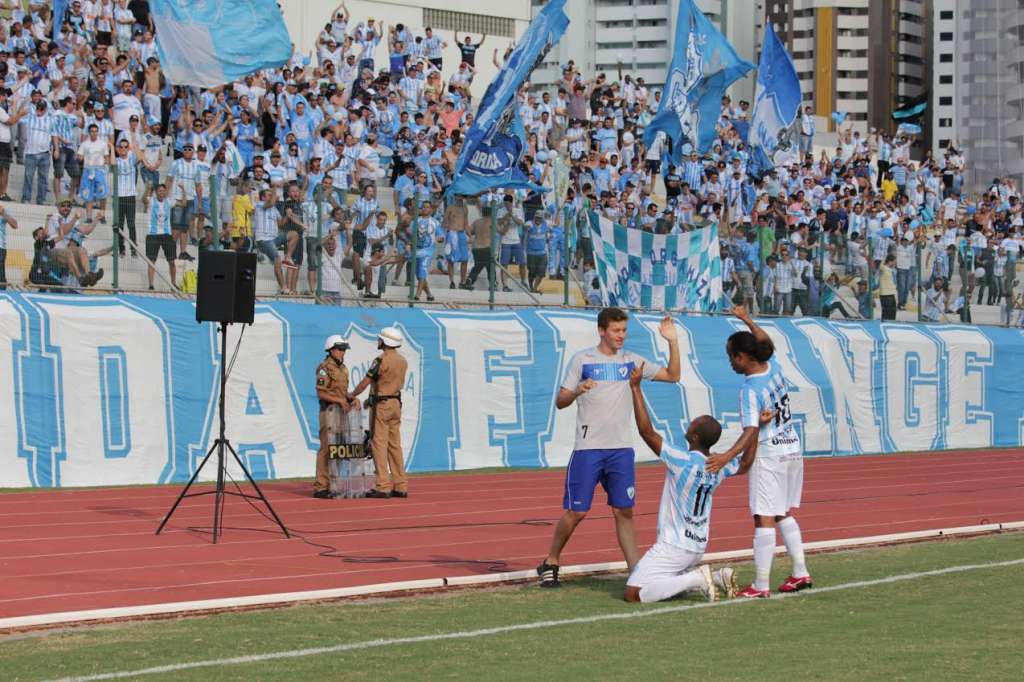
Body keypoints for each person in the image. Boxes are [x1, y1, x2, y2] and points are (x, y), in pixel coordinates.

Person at [537, 308, 681, 588]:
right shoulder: (583, 360)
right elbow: (560, 400)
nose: (621, 336)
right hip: (588, 449)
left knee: (623, 511)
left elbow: (673, 375)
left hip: (621, 450)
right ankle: (551, 560)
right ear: (602, 330)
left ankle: (636, 573)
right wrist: (578, 390)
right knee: (577, 512)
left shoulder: (632, 361)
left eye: (624, 331)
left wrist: (672, 342)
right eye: (616, 331)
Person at [624, 363, 769, 603]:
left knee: (634, 593)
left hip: (674, 545)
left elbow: (646, 432)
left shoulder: (681, 460)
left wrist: (636, 388)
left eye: (693, 423)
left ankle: (698, 578)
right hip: (697, 545)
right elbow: (745, 464)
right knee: (666, 583)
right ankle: (717, 576)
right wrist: (755, 431)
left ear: (694, 436)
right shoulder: (717, 465)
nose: (689, 422)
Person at [707, 306, 812, 598]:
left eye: (732, 356)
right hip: (791, 446)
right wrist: (746, 319)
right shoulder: (773, 365)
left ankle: (761, 585)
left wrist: (727, 457)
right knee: (782, 512)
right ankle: (800, 572)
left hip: (769, 455)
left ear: (743, 357)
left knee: (763, 516)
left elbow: (751, 431)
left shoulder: (750, 390)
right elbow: (766, 342)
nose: (731, 362)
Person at [349, 326, 410, 498]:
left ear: (384, 341)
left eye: (379, 339)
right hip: (396, 403)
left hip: (381, 406)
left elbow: (366, 382)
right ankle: (400, 485)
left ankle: (382, 485)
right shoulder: (402, 361)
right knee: (394, 445)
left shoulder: (380, 360)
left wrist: (353, 394)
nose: (378, 341)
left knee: (378, 444)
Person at [314, 335, 355, 499]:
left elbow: (343, 392)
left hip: (341, 413)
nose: (342, 352)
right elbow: (321, 392)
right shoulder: (324, 368)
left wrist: (353, 399)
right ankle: (321, 487)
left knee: (338, 449)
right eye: (339, 349)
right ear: (330, 349)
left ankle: (334, 484)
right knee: (326, 449)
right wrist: (339, 400)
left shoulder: (343, 368)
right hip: (328, 412)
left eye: (344, 349)